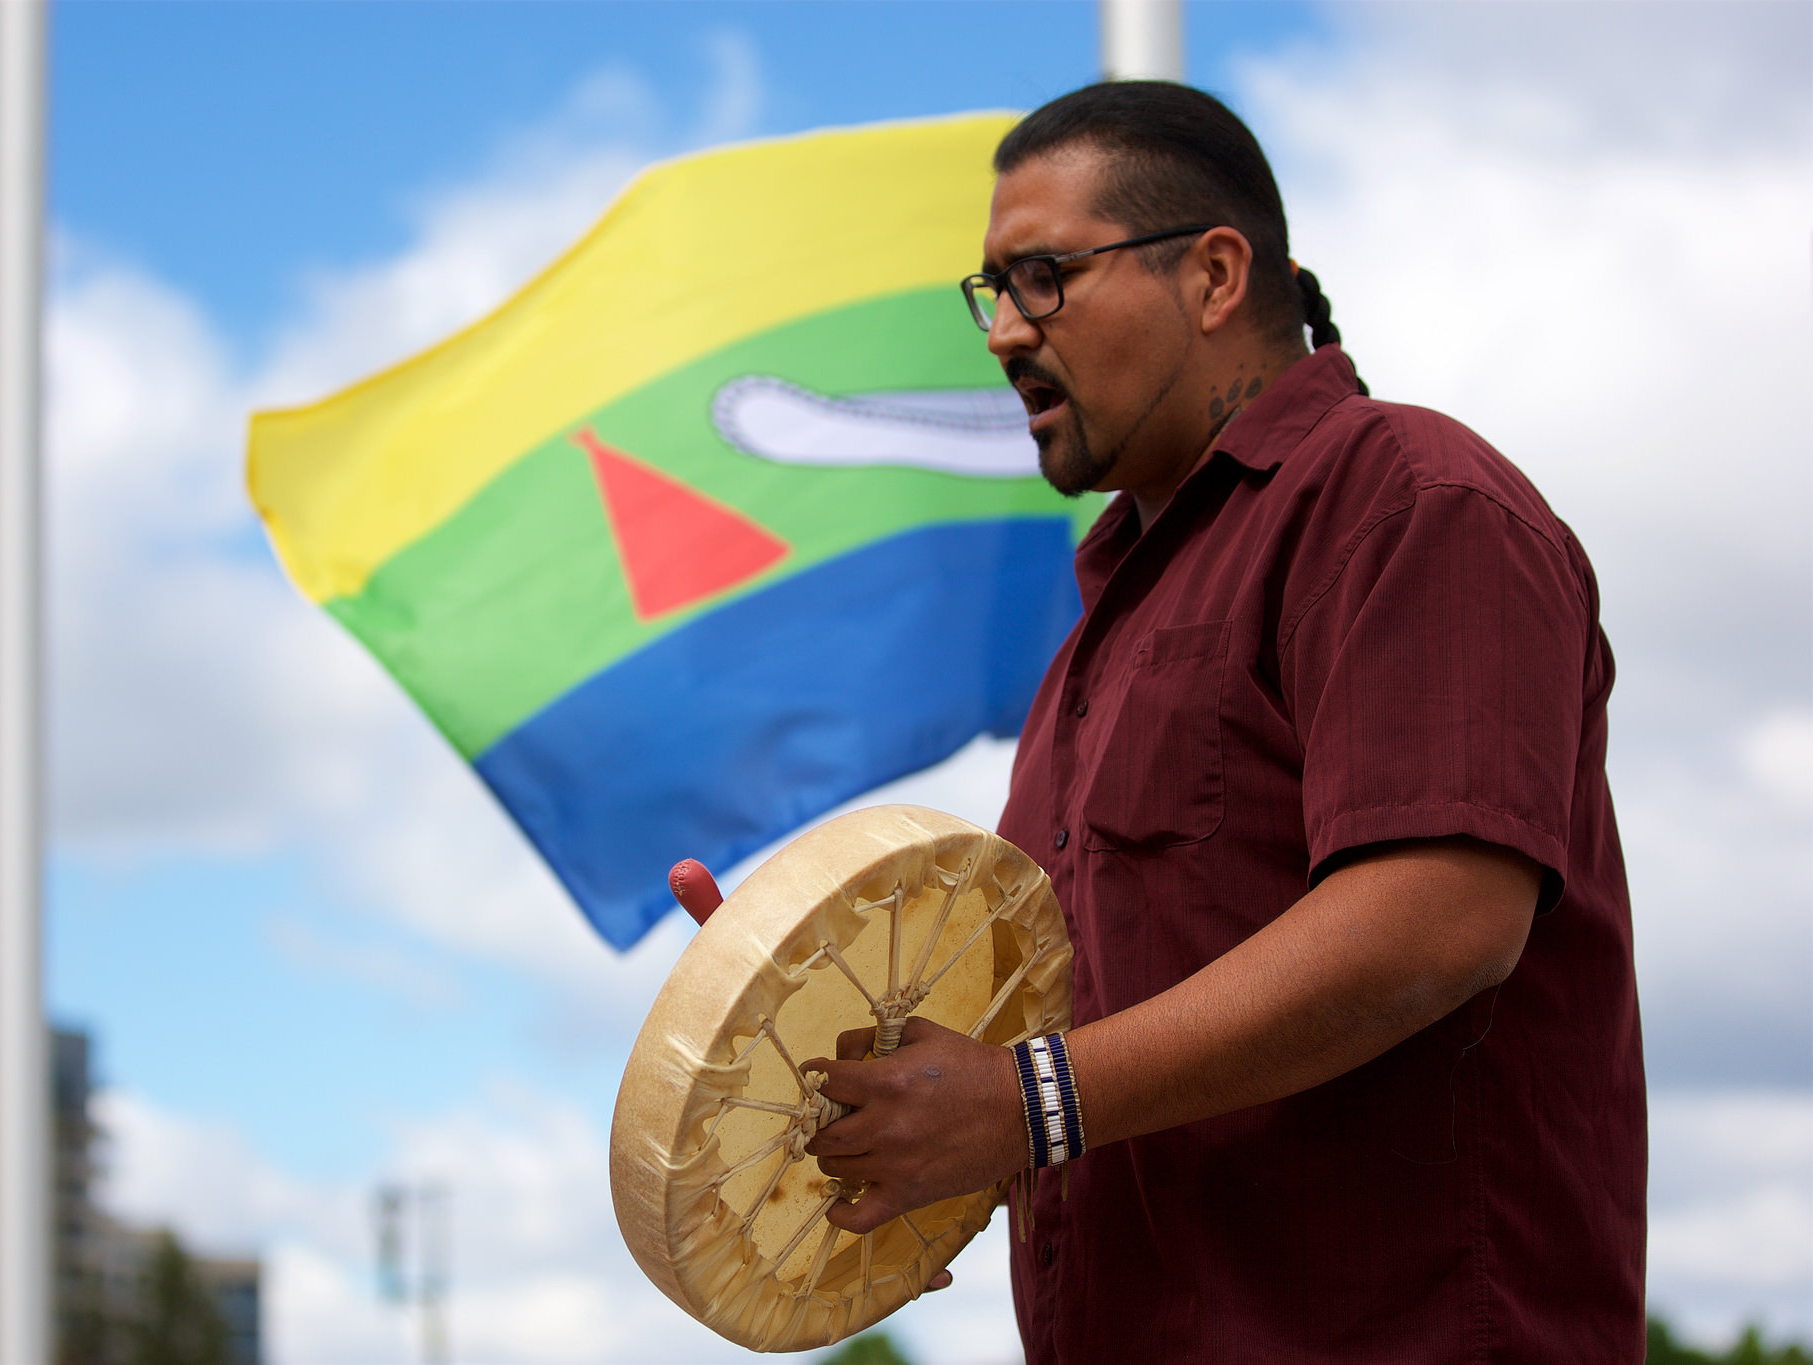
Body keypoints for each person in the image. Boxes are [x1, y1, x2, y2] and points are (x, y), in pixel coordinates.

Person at [673, 81, 1644, 1362]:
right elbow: (1081, 1076)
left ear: (1214, 274)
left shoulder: (1406, 497)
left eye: (1039, 277)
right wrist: (853, 1064)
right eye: (990, 294)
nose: (1003, 334)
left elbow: (1438, 917)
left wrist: (1024, 1103)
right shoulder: (1090, 643)